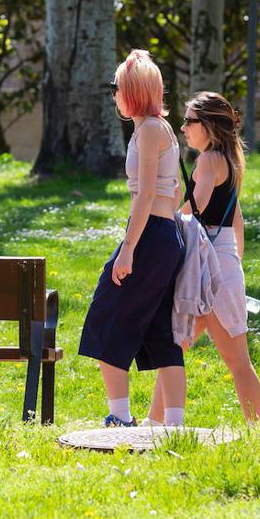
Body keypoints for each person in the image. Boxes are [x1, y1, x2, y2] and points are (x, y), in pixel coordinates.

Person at [77, 50, 188, 428]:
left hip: (150, 236)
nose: (114, 96)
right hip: (162, 235)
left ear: (134, 91)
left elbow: (144, 195)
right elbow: (170, 192)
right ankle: (173, 424)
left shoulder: (152, 130)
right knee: (159, 328)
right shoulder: (157, 128)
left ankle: (120, 416)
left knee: (106, 315)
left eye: (117, 88)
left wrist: (128, 249)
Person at [150, 92, 260, 423]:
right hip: (215, 264)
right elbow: (236, 220)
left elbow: (194, 210)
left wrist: (158, 222)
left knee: (237, 361)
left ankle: (257, 431)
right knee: (174, 349)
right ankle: (154, 423)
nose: (184, 127)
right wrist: (233, 266)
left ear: (209, 125)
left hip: (208, 267)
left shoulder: (209, 161)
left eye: (189, 121)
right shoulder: (226, 161)